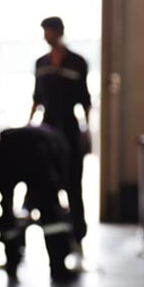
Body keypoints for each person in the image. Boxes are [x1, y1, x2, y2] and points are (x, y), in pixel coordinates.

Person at [31, 16, 91, 242]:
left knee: (73, 182)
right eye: (45, 31)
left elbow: (85, 100)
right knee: (48, 181)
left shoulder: (77, 62)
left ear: (59, 32)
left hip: (69, 130)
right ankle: (55, 233)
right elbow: (36, 99)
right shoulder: (41, 64)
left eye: (49, 31)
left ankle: (78, 233)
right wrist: (30, 126)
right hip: (47, 130)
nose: (47, 35)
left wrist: (86, 131)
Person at [0, 125, 76, 283]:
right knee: (50, 212)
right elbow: (58, 184)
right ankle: (58, 266)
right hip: (36, 154)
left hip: (6, 151)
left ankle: (12, 260)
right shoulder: (59, 148)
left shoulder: (49, 137)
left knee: (6, 208)